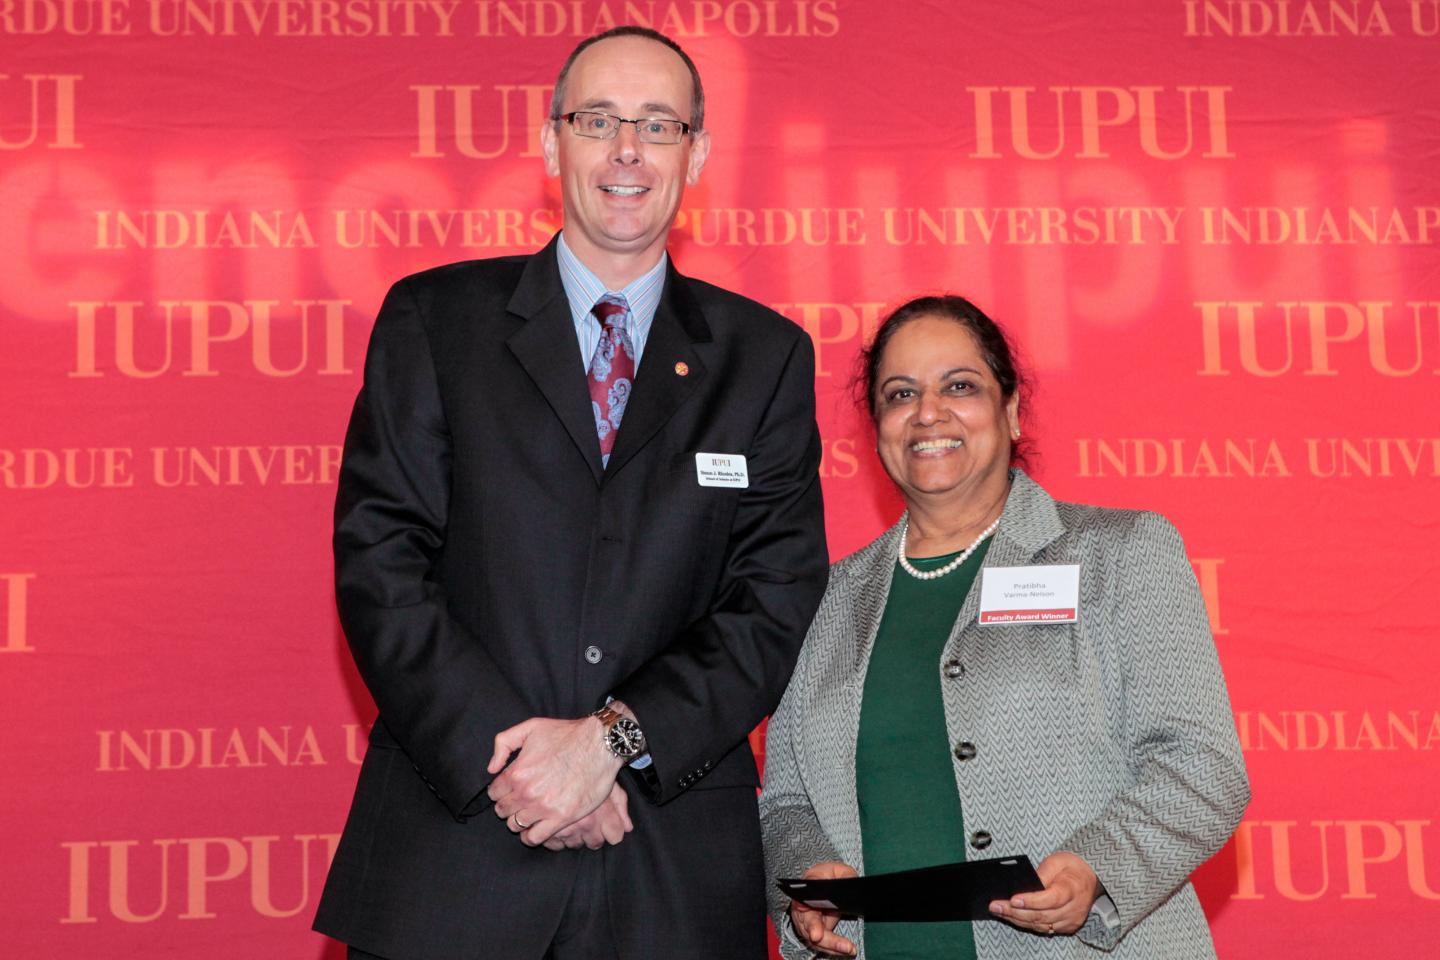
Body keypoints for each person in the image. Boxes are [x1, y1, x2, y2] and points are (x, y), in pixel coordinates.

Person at [313, 26, 828, 960]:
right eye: (598, 120)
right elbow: (382, 564)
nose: (627, 150)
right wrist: (520, 761)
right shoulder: (436, 321)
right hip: (454, 851)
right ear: (552, 144)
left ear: (697, 154)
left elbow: (774, 598)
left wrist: (610, 742)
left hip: (666, 864)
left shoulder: (764, 358)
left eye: (658, 125)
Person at [758, 295, 1249, 959]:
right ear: (876, 428)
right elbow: (785, 804)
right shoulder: (825, 599)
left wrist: (1094, 867)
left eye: (959, 386)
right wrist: (809, 875)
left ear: (1012, 411)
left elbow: (1202, 769)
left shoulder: (1119, 551)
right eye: (900, 394)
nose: (928, 413)